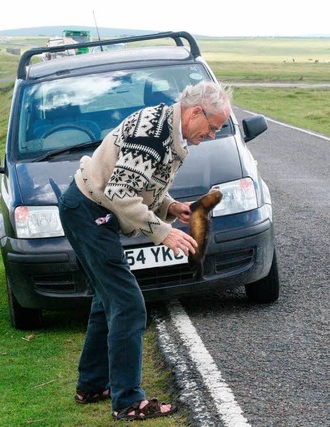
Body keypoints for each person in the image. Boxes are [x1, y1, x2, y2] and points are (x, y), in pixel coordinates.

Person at [58, 80, 232, 421]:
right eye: (213, 127)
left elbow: (143, 183)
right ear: (196, 112)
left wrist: (170, 207)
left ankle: (93, 385)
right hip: (89, 210)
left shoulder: (170, 130)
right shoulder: (152, 135)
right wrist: (163, 233)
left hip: (95, 210)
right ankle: (128, 402)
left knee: (106, 300)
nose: (211, 135)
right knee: (128, 305)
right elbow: (121, 193)